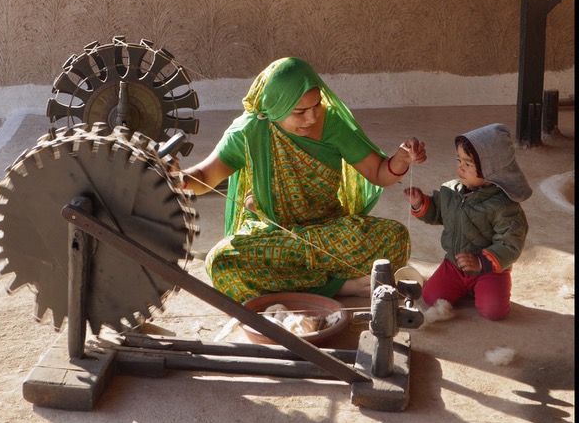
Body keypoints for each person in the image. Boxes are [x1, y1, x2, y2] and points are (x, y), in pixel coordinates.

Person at [179, 57, 426, 303]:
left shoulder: (331, 124)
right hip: (274, 236)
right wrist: (182, 180)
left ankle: (296, 285)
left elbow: (377, 172)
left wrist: (402, 160)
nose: (311, 118)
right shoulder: (249, 132)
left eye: (316, 106)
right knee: (221, 262)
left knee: (396, 237)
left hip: (328, 232)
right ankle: (342, 287)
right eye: (300, 112)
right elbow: (205, 176)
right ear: (276, 107)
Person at [403, 123, 532, 320]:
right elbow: (437, 212)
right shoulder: (450, 191)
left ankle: (484, 287)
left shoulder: (506, 207)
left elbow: (510, 243)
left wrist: (481, 262)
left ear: (492, 172)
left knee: (493, 312)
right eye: (459, 160)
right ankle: (465, 287)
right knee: (430, 297)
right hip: (454, 265)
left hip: (490, 270)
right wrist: (421, 203)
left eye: (468, 164)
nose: (459, 167)